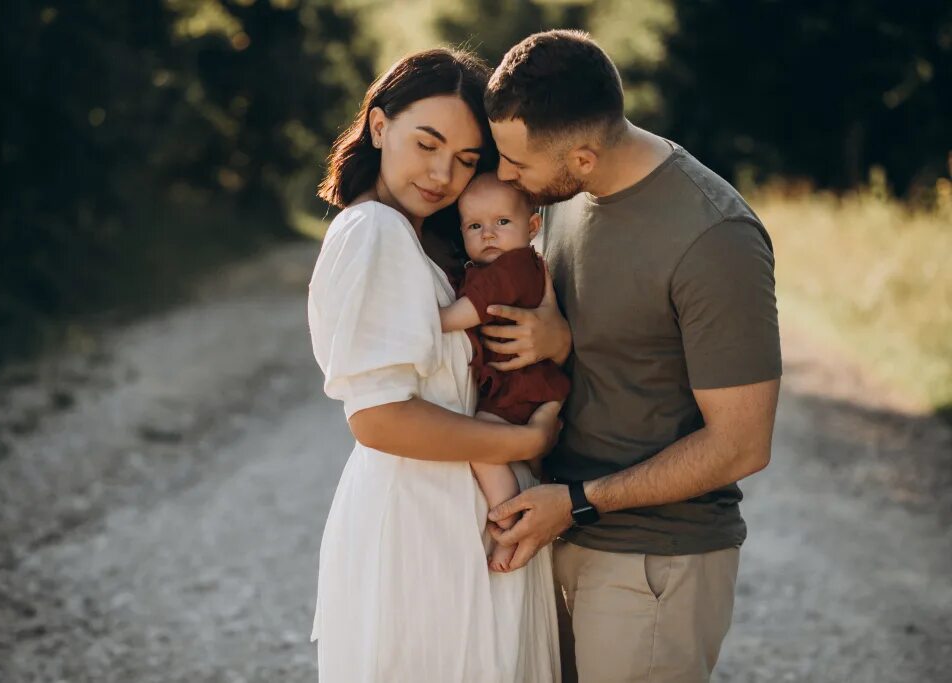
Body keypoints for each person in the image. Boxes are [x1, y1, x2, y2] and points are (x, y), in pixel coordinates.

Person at [479, 31, 783, 682]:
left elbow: (743, 443)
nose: (505, 178)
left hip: (654, 563)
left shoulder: (713, 238)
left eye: (517, 164)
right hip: (559, 534)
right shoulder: (563, 197)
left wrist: (581, 500)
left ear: (583, 157)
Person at [307, 48, 562, 682]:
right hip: (419, 522)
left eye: (467, 160)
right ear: (377, 126)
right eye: (427, 143)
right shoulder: (375, 233)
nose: (443, 173)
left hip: (451, 512)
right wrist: (523, 439)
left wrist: (551, 338)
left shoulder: (420, 238)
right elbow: (379, 419)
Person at [439, 171, 571, 573]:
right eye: (475, 226)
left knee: (482, 443)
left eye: (502, 222)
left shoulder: (512, 268)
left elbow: (464, 313)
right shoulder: (511, 265)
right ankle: (535, 457)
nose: (489, 235)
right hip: (538, 384)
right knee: (527, 448)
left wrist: (428, 319)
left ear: (533, 226)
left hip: (521, 387)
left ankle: (508, 520)